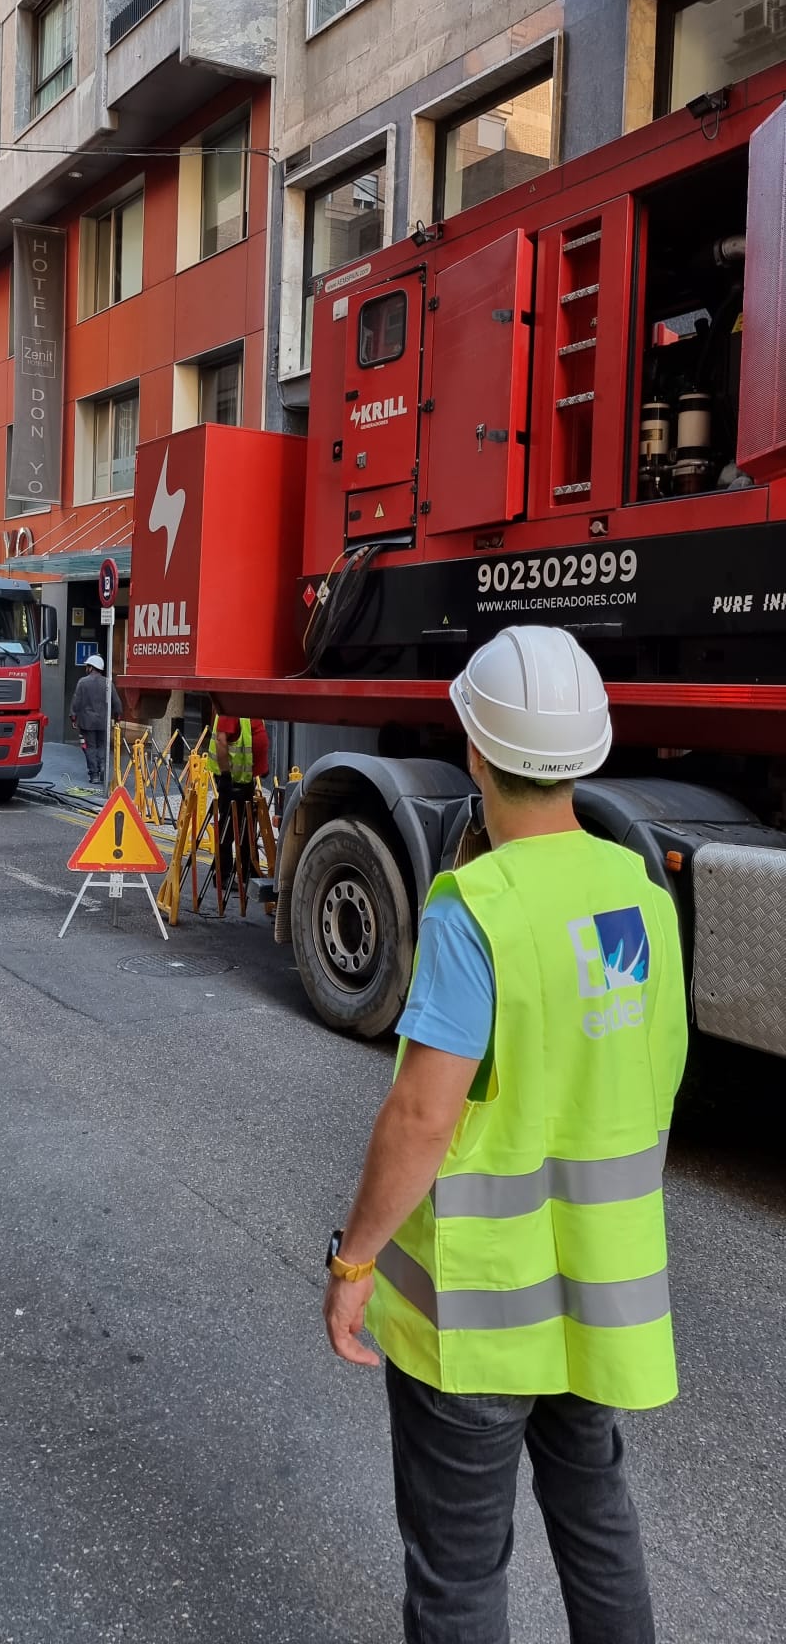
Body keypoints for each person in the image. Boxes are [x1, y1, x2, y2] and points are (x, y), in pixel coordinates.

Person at [322, 625, 688, 1644]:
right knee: (598, 1521)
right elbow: (647, 1071)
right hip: (595, 1293)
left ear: (473, 749)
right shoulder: (637, 891)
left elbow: (423, 1112)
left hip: (478, 1316)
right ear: (591, 749)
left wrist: (352, 1260)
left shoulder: (473, 906)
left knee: (458, 1568)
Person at [205, 712, 270, 886]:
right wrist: (226, 776)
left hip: (244, 778)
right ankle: (223, 876)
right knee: (228, 827)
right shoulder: (232, 708)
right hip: (232, 779)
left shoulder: (248, 708)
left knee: (246, 826)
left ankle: (249, 869)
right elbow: (221, 741)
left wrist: (261, 765)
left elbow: (253, 739)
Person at [70, 654, 121, 786]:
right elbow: (116, 702)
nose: (86, 668)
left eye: (87, 666)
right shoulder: (108, 683)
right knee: (102, 747)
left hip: (87, 722)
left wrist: (73, 717)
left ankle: (94, 775)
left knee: (90, 747)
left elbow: (76, 702)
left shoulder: (82, 682)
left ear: (91, 667)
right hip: (103, 722)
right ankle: (103, 768)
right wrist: (117, 717)